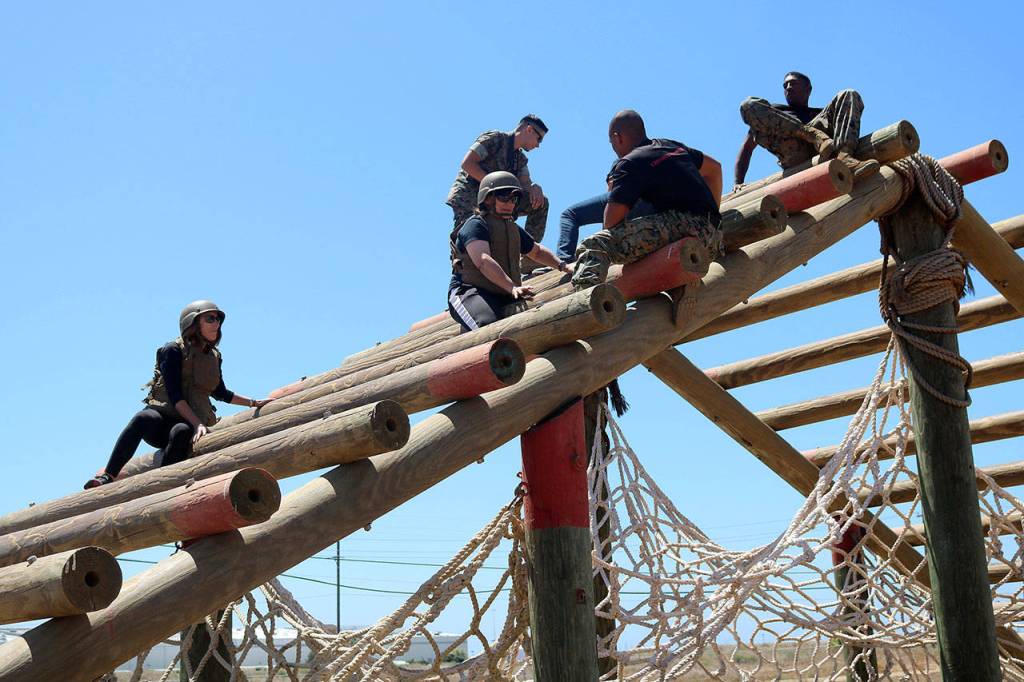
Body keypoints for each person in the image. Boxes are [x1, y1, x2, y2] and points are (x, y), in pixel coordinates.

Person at [83, 300, 273, 489]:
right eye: (210, 318)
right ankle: (108, 476)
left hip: (187, 424)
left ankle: (162, 486)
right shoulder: (172, 350)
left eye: (218, 319)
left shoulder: (214, 357)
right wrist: (198, 424)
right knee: (143, 417)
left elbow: (220, 392)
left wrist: (253, 402)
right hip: (162, 420)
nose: (216, 323)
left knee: (181, 431)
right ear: (193, 323)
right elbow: (175, 396)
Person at [571, 110, 723, 291]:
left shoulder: (630, 163)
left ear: (617, 138)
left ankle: (585, 302)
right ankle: (681, 288)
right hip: (713, 238)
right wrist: (710, 220)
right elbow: (715, 168)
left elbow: (610, 223)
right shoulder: (670, 145)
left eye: (611, 143)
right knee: (648, 238)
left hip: (684, 230)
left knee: (596, 245)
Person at [449, 171, 569, 331]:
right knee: (488, 326)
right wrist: (511, 287)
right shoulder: (476, 225)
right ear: (488, 198)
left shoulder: (512, 229)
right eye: (504, 197)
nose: (510, 203)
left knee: (541, 317)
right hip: (470, 292)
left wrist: (563, 266)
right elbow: (483, 261)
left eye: (514, 198)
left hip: (504, 293)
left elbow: (537, 252)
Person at [733, 71, 876, 189]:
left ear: (808, 90)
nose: (788, 88)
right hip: (794, 151)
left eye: (793, 83)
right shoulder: (775, 112)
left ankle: (845, 157)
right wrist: (738, 183)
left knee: (848, 93)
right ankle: (812, 135)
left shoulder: (819, 114)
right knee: (748, 105)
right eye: (785, 85)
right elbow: (747, 148)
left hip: (826, 147)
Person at [447, 115, 550, 268]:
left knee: (540, 202)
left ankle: (529, 259)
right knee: (469, 237)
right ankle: (462, 273)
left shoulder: (519, 159)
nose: (538, 145)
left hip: (497, 200)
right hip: (469, 197)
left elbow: (525, 183)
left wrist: (535, 187)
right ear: (529, 129)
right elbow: (467, 163)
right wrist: (494, 185)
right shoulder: (494, 139)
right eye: (539, 138)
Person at [556, 190, 656, 264]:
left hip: (631, 194)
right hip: (655, 203)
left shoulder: (621, 181)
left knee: (570, 215)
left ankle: (564, 260)